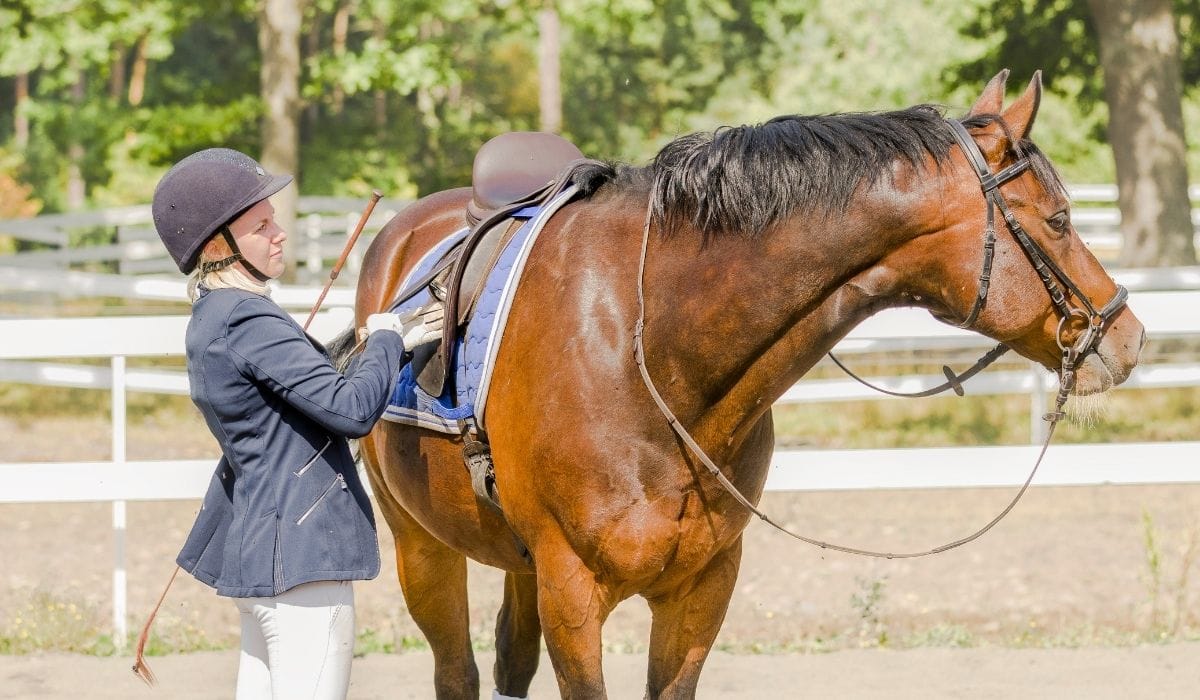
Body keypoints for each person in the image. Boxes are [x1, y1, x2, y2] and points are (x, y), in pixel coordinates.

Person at [151, 147, 439, 699]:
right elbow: (352, 411)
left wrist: (380, 348)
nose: (279, 234)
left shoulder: (213, 316)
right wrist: (387, 338)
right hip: (304, 560)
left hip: (265, 556)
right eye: (261, 226)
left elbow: (302, 403)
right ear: (217, 245)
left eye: (273, 220)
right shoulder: (247, 318)